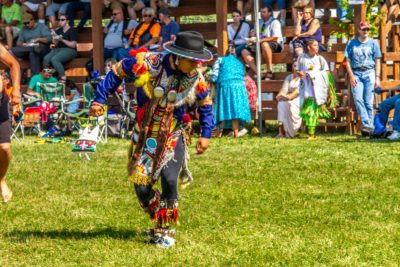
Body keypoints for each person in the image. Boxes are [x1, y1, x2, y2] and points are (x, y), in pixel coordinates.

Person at [89, 31, 213, 248]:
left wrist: (206, 134)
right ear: (177, 57)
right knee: (142, 188)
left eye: (198, 61)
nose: (196, 65)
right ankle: (159, 216)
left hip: (174, 132)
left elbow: (205, 104)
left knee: (170, 178)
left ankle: (165, 229)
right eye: (192, 61)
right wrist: (100, 99)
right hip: (145, 134)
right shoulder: (148, 63)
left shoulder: (195, 78)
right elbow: (116, 71)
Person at [344, 21, 382, 136]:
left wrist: (377, 77)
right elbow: (348, 61)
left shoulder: (373, 43)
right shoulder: (351, 43)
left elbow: (377, 60)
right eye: (364, 29)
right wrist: (351, 75)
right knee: (358, 99)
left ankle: (369, 127)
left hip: (369, 72)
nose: (366, 31)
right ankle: (368, 125)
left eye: (368, 29)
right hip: (356, 73)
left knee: (368, 101)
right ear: (359, 30)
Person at [296, 39, 338, 140]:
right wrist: (300, 73)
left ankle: (311, 133)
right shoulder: (301, 58)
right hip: (305, 88)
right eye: (314, 45)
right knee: (306, 110)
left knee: (311, 111)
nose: (317, 47)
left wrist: (329, 89)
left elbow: (327, 73)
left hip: (316, 89)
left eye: (317, 45)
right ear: (308, 47)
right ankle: (311, 131)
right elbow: (297, 69)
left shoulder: (320, 59)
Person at [211, 45, 251, 138]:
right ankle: (236, 134)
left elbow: (214, 76)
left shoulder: (220, 60)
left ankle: (219, 134)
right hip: (239, 88)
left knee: (222, 109)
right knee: (235, 111)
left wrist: (212, 81)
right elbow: (243, 74)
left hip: (226, 86)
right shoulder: (239, 63)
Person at [0, 43, 21, 203]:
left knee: (5, 148)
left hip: (1, 103)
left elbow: (14, 64)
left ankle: (1, 180)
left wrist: (15, 92)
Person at [241, 5, 283, 80]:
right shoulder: (259, 22)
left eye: (264, 12)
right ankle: (258, 72)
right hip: (260, 43)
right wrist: (252, 35)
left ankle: (269, 71)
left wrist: (260, 40)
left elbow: (275, 37)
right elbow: (257, 35)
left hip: (275, 43)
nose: (261, 14)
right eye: (261, 12)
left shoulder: (274, 22)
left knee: (264, 44)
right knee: (244, 51)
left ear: (269, 13)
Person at [43, 14, 77, 82]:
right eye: (59, 20)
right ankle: (47, 77)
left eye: (62, 20)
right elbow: (55, 44)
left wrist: (62, 40)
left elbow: (73, 45)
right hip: (59, 49)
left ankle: (63, 77)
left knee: (55, 59)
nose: (60, 21)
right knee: (46, 58)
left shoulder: (72, 30)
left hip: (70, 50)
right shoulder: (58, 30)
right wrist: (54, 36)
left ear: (67, 21)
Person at [276, 62, 301, 138]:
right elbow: (283, 90)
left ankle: (290, 131)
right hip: (287, 97)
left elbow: (296, 93)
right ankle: (281, 131)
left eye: (298, 66)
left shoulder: (304, 78)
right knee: (281, 104)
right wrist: (279, 96)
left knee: (291, 104)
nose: (296, 68)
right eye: (294, 66)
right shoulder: (289, 77)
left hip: (299, 98)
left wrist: (287, 97)